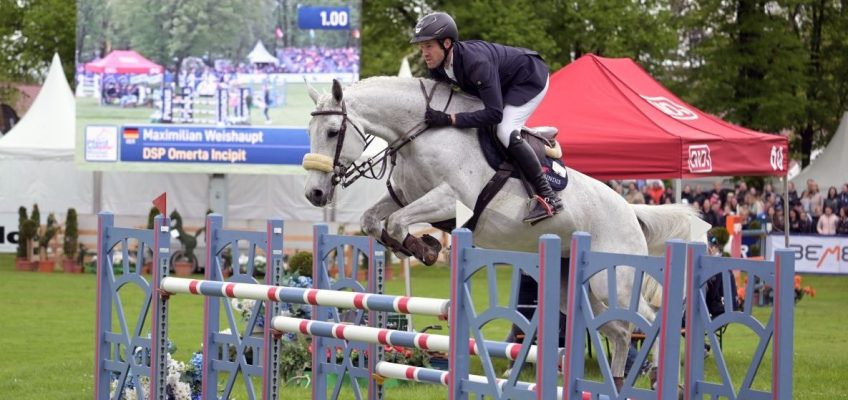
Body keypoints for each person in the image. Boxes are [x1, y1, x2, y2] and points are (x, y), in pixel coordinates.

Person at [410, 12, 562, 223]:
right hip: (503, 80)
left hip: (529, 78)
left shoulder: (476, 63)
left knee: (504, 129)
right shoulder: (438, 67)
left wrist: (450, 119)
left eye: (428, 46)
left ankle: (549, 196)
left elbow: (494, 113)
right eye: (421, 47)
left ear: (446, 43)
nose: (423, 53)